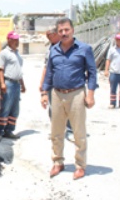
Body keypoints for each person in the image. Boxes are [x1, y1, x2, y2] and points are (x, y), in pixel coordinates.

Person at [41, 17, 97, 180]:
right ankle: (58, 162)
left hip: (76, 94)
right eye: (61, 31)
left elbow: (92, 73)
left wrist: (91, 94)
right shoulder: (54, 50)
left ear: (72, 30)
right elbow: (49, 73)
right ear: (57, 33)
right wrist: (44, 93)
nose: (64, 33)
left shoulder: (84, 49)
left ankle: (80, 165)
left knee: (78, 132)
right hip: (56, 95)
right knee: (56, 132)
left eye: (66, 30)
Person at [39, 28, 73, 139]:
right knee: (53, 108)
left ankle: (70, 130)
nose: (48, 37)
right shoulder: (49, 50)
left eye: (50, 35)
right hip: (52, 83)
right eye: (47, 35)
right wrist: (42, 83)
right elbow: (46, 67)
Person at [0, 31, 26, 141]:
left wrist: (23, 84)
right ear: (9, 40)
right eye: (14, 40)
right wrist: (2, 83)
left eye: (17, 40)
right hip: (8, 84)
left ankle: (9, 130)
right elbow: (0, 70)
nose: (17, 42)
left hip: (16, 84)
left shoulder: (16, 53)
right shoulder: (4, 53)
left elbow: (19, 71)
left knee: (15, 110)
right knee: (5, 108)